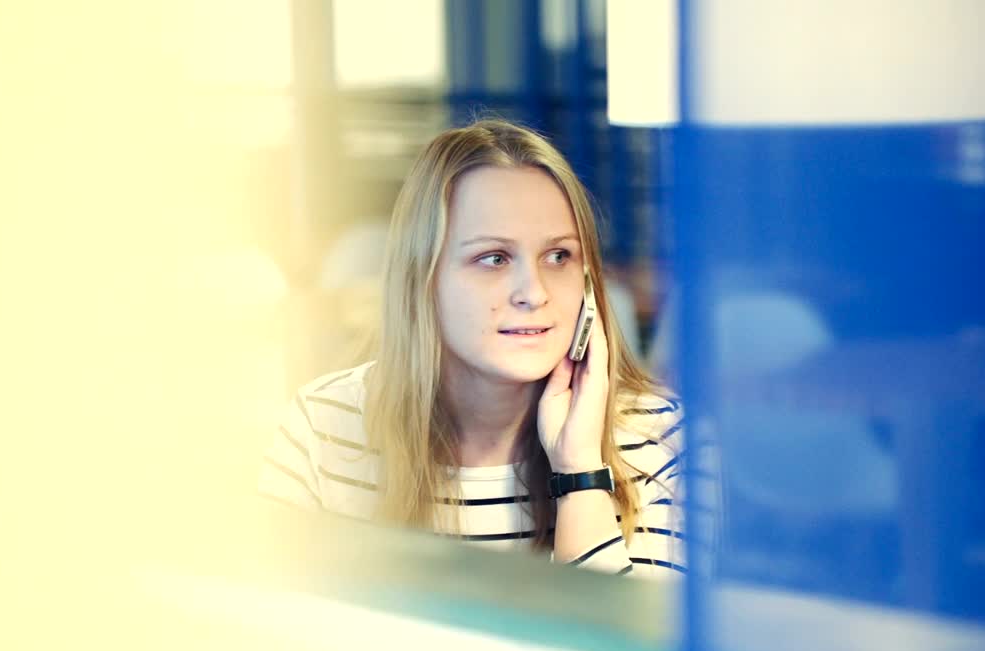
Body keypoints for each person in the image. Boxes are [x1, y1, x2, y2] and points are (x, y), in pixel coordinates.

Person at [259, 119, 684, 578]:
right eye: (494, 258)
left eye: (558, 256)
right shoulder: (323, 426)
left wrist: (579, 472)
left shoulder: (663, 440)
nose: (534, 292)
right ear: (423, 279)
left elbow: (612, 650)